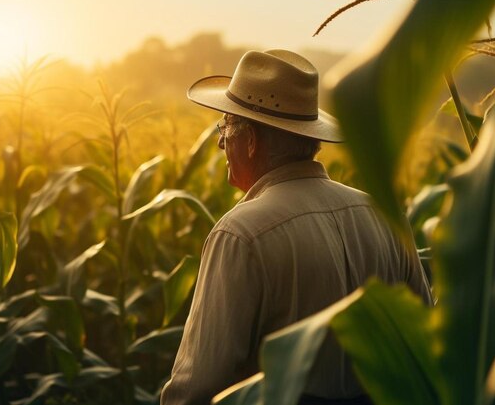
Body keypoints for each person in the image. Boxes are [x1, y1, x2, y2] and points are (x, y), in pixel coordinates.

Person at [160, 50, 433, 405]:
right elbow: (425, 347)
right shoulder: (384, 214)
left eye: (225, 126)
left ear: (252, 140)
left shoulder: (240, 234)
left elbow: (198, 388)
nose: (219, 141)